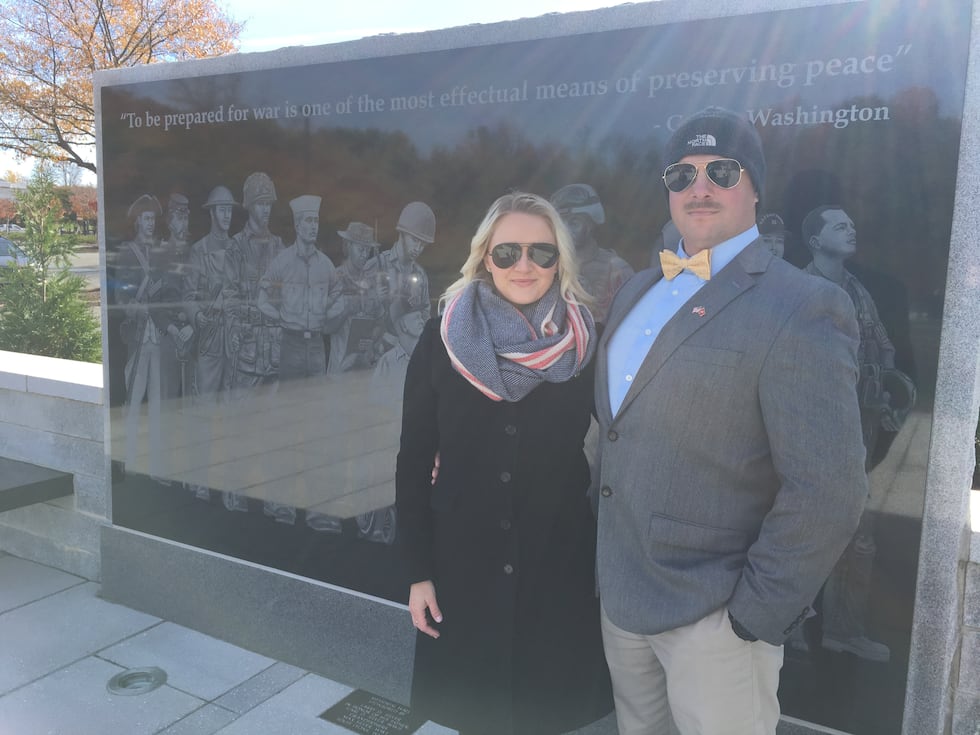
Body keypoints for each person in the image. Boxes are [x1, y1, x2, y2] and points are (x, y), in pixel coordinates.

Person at [594, 107, 867, 734]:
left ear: (755, 187)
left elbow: (829, 487)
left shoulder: (804, 305)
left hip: (717, 621)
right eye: (682, 173)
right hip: (622, 601)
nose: (700, 187)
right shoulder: (635, 290)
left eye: (721, 170)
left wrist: (751, 618)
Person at [396, 191, 611, 734]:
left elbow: (625, 437)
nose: (524, 265)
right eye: (507, 251)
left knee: (544, 714)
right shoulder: (442, 339)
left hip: (555, 567)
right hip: (462, 568)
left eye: (541, 252)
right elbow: (414, 459)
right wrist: (418, 572)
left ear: (560, 260)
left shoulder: (585, 343)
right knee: (472, 713)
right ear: (485, 259)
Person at [800, 204, 916, 663]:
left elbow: (883, 345)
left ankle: (844, 630)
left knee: (860, 534)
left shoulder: (857, 290)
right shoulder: (798, 288)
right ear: (815, 241)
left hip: (860, 429)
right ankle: (787, 629)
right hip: (811, 431)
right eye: (839, 225)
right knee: (802, 530)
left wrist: (883, 387)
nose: (851, 230)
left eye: (851, 224)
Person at [258, 195, 337, 383]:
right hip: (291, 346)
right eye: (309, 220)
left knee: (317, 397)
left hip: (317, 346)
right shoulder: (282, 262)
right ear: (297, 225)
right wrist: (281, 318)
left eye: (316, 221)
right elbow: (261, 301)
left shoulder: (326, 265)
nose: (314, 226)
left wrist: (326, 316)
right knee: (289, 397)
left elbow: (338, 297)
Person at [225, 172, 285, 399]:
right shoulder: (236, 247)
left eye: (268, 204)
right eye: (261, 204)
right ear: (249, 206)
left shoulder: (279, 247)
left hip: (274, 350)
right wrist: (235, 329)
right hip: (246, 349)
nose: (266, 209)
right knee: (242, 415)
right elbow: (229, 296)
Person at [550, 183, 633, 322]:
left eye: (574, 223)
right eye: (560, 224)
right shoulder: (548, 267)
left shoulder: (616, 270)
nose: (566, 230)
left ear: (591, 223)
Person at [325, 221, 386, 373]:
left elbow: (380, 322)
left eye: (368, 250)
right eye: (360, 249)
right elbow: (325, 327)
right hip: (339, 369)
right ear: (348, 246)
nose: (365, 255)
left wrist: (371, 339)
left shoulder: (372, 283)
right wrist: (347, 310)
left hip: (363, 369)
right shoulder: (335, 279)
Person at [379, 201, 436, 321]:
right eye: (414, 240)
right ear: (402, 234)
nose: (418, 249)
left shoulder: (421, 275)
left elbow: (425, 315)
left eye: (423, 244)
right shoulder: (378, 264)